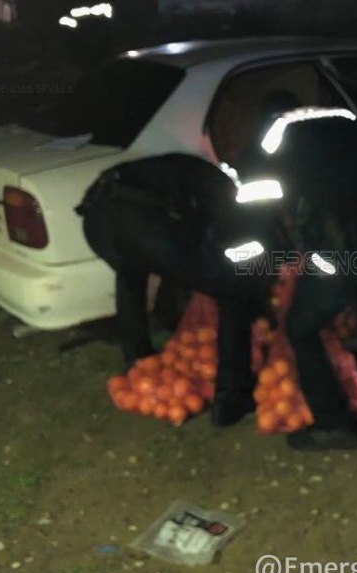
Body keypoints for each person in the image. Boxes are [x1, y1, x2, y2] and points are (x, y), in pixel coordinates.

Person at [231, 111, 357, 450]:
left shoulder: (265, 157)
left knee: (300, 328)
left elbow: (259, 230)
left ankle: (332, 424)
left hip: (342, 250)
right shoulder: (337, 126)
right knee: (353, 287)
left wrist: (245, 260)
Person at [76, 153, 278, 428]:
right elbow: (238, 239)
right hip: (143, 226)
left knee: (130, 274)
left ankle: (137, 360)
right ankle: (232, 399)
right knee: (233, 292)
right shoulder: (223, 187)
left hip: (97, 222)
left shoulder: (185, 169)